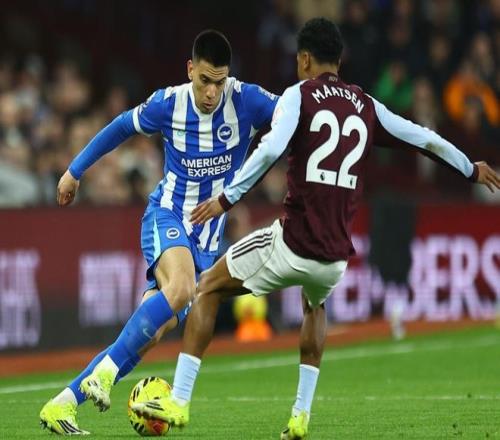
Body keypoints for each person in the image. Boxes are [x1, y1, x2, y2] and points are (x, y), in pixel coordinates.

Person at [130, 18, 500, 440]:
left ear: (305, 59)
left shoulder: (299, 95)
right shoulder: (366, 104)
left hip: (292, 242)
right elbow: (423, 138)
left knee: (207, 288)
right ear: (339, 61)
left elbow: (270, 148)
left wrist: (226, 199)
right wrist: (470, 168)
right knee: (314, 305)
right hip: (335, 256)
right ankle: (300, 415)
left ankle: (178, 401)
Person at [39, 29, 278, 435]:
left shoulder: (248, 101)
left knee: (147, 336)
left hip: (205, 243)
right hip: (166, 216)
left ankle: (62, 404)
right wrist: (74, 171)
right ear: (190, 70)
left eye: (219, 82)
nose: (211, 93)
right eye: (205, 81)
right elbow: (121, 127)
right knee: (181, 288)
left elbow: (296, 114)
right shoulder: (169, 103)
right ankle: (105, 375)